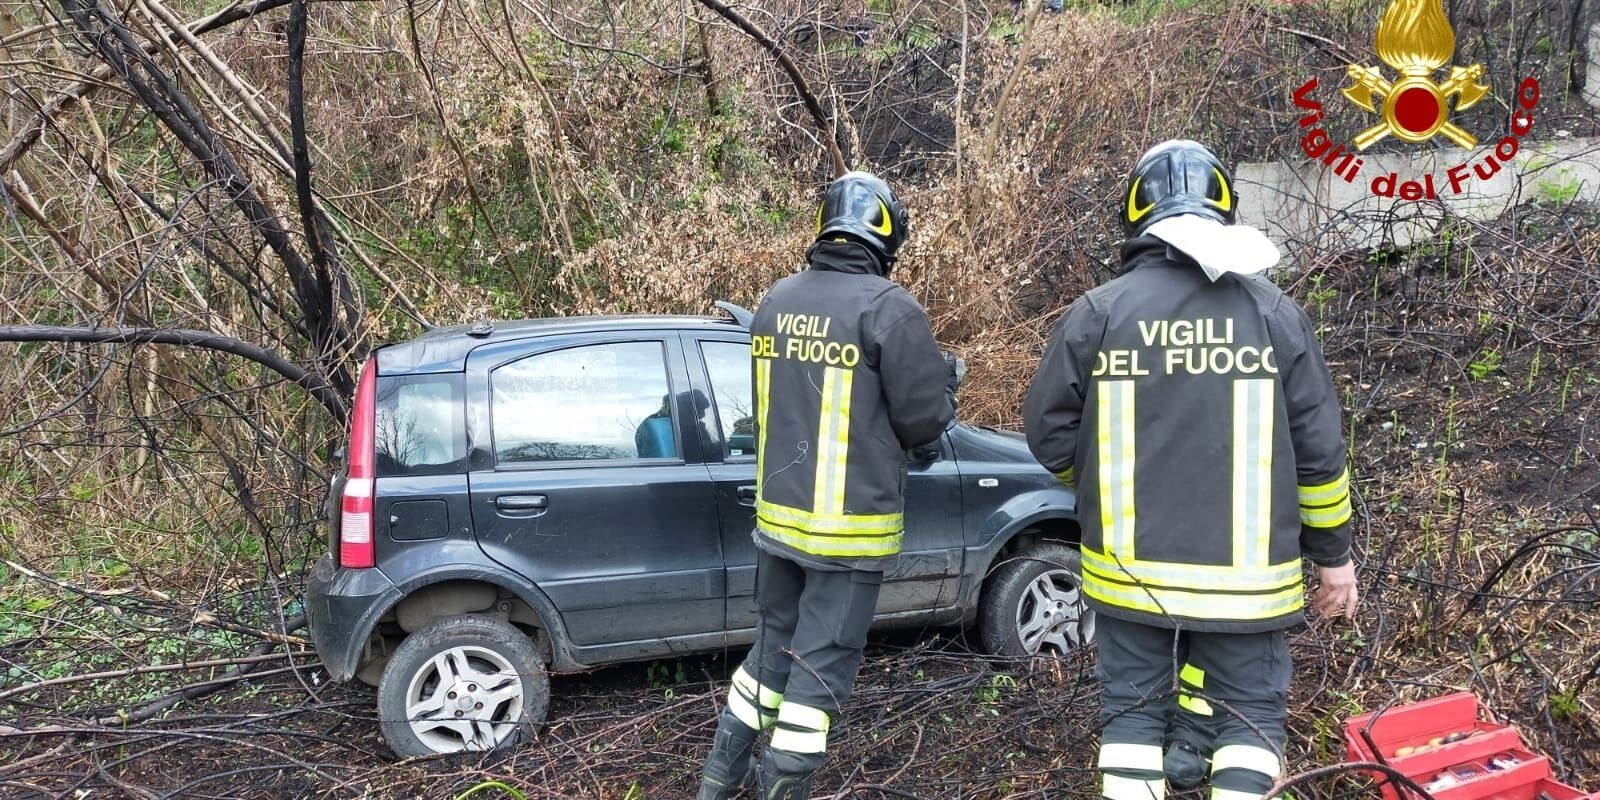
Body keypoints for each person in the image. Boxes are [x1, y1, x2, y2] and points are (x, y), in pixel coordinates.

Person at [1022, 139, 1360, 800]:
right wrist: (1334, 559)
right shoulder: (1274, 316)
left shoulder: (1098, 315)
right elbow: (1319, 454)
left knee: (1132, 725)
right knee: (1249, 721)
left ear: (1135, 216)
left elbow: (1048, 435)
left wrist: (1092, 489)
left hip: (1128, 579)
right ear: (1224, 211)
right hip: (1248, 587)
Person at [698, 171, 958, 800]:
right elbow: (924, 419)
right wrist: (946, 382)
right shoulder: (888, 308)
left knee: (770, 658)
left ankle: (716, 782)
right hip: (848, 533)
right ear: (886, 234)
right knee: (816, 680)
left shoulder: (775, 300)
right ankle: (782, 789)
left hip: (778, 526)